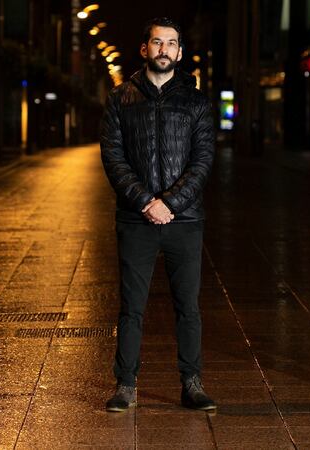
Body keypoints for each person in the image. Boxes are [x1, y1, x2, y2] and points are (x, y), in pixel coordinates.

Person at [100, 17, 216, 412]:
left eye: (171, 43)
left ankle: (192, 382)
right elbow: (113, 158)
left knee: (189, 305)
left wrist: (171, 203)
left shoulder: (197, 102)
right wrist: (146, 202)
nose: (164, 49)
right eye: (156, 42)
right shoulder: (120, 99)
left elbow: (202, 160)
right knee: (132, 306)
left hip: (185, 220)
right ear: (144, 49)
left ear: (180, 52)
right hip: (136, 219)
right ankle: (126, 384)